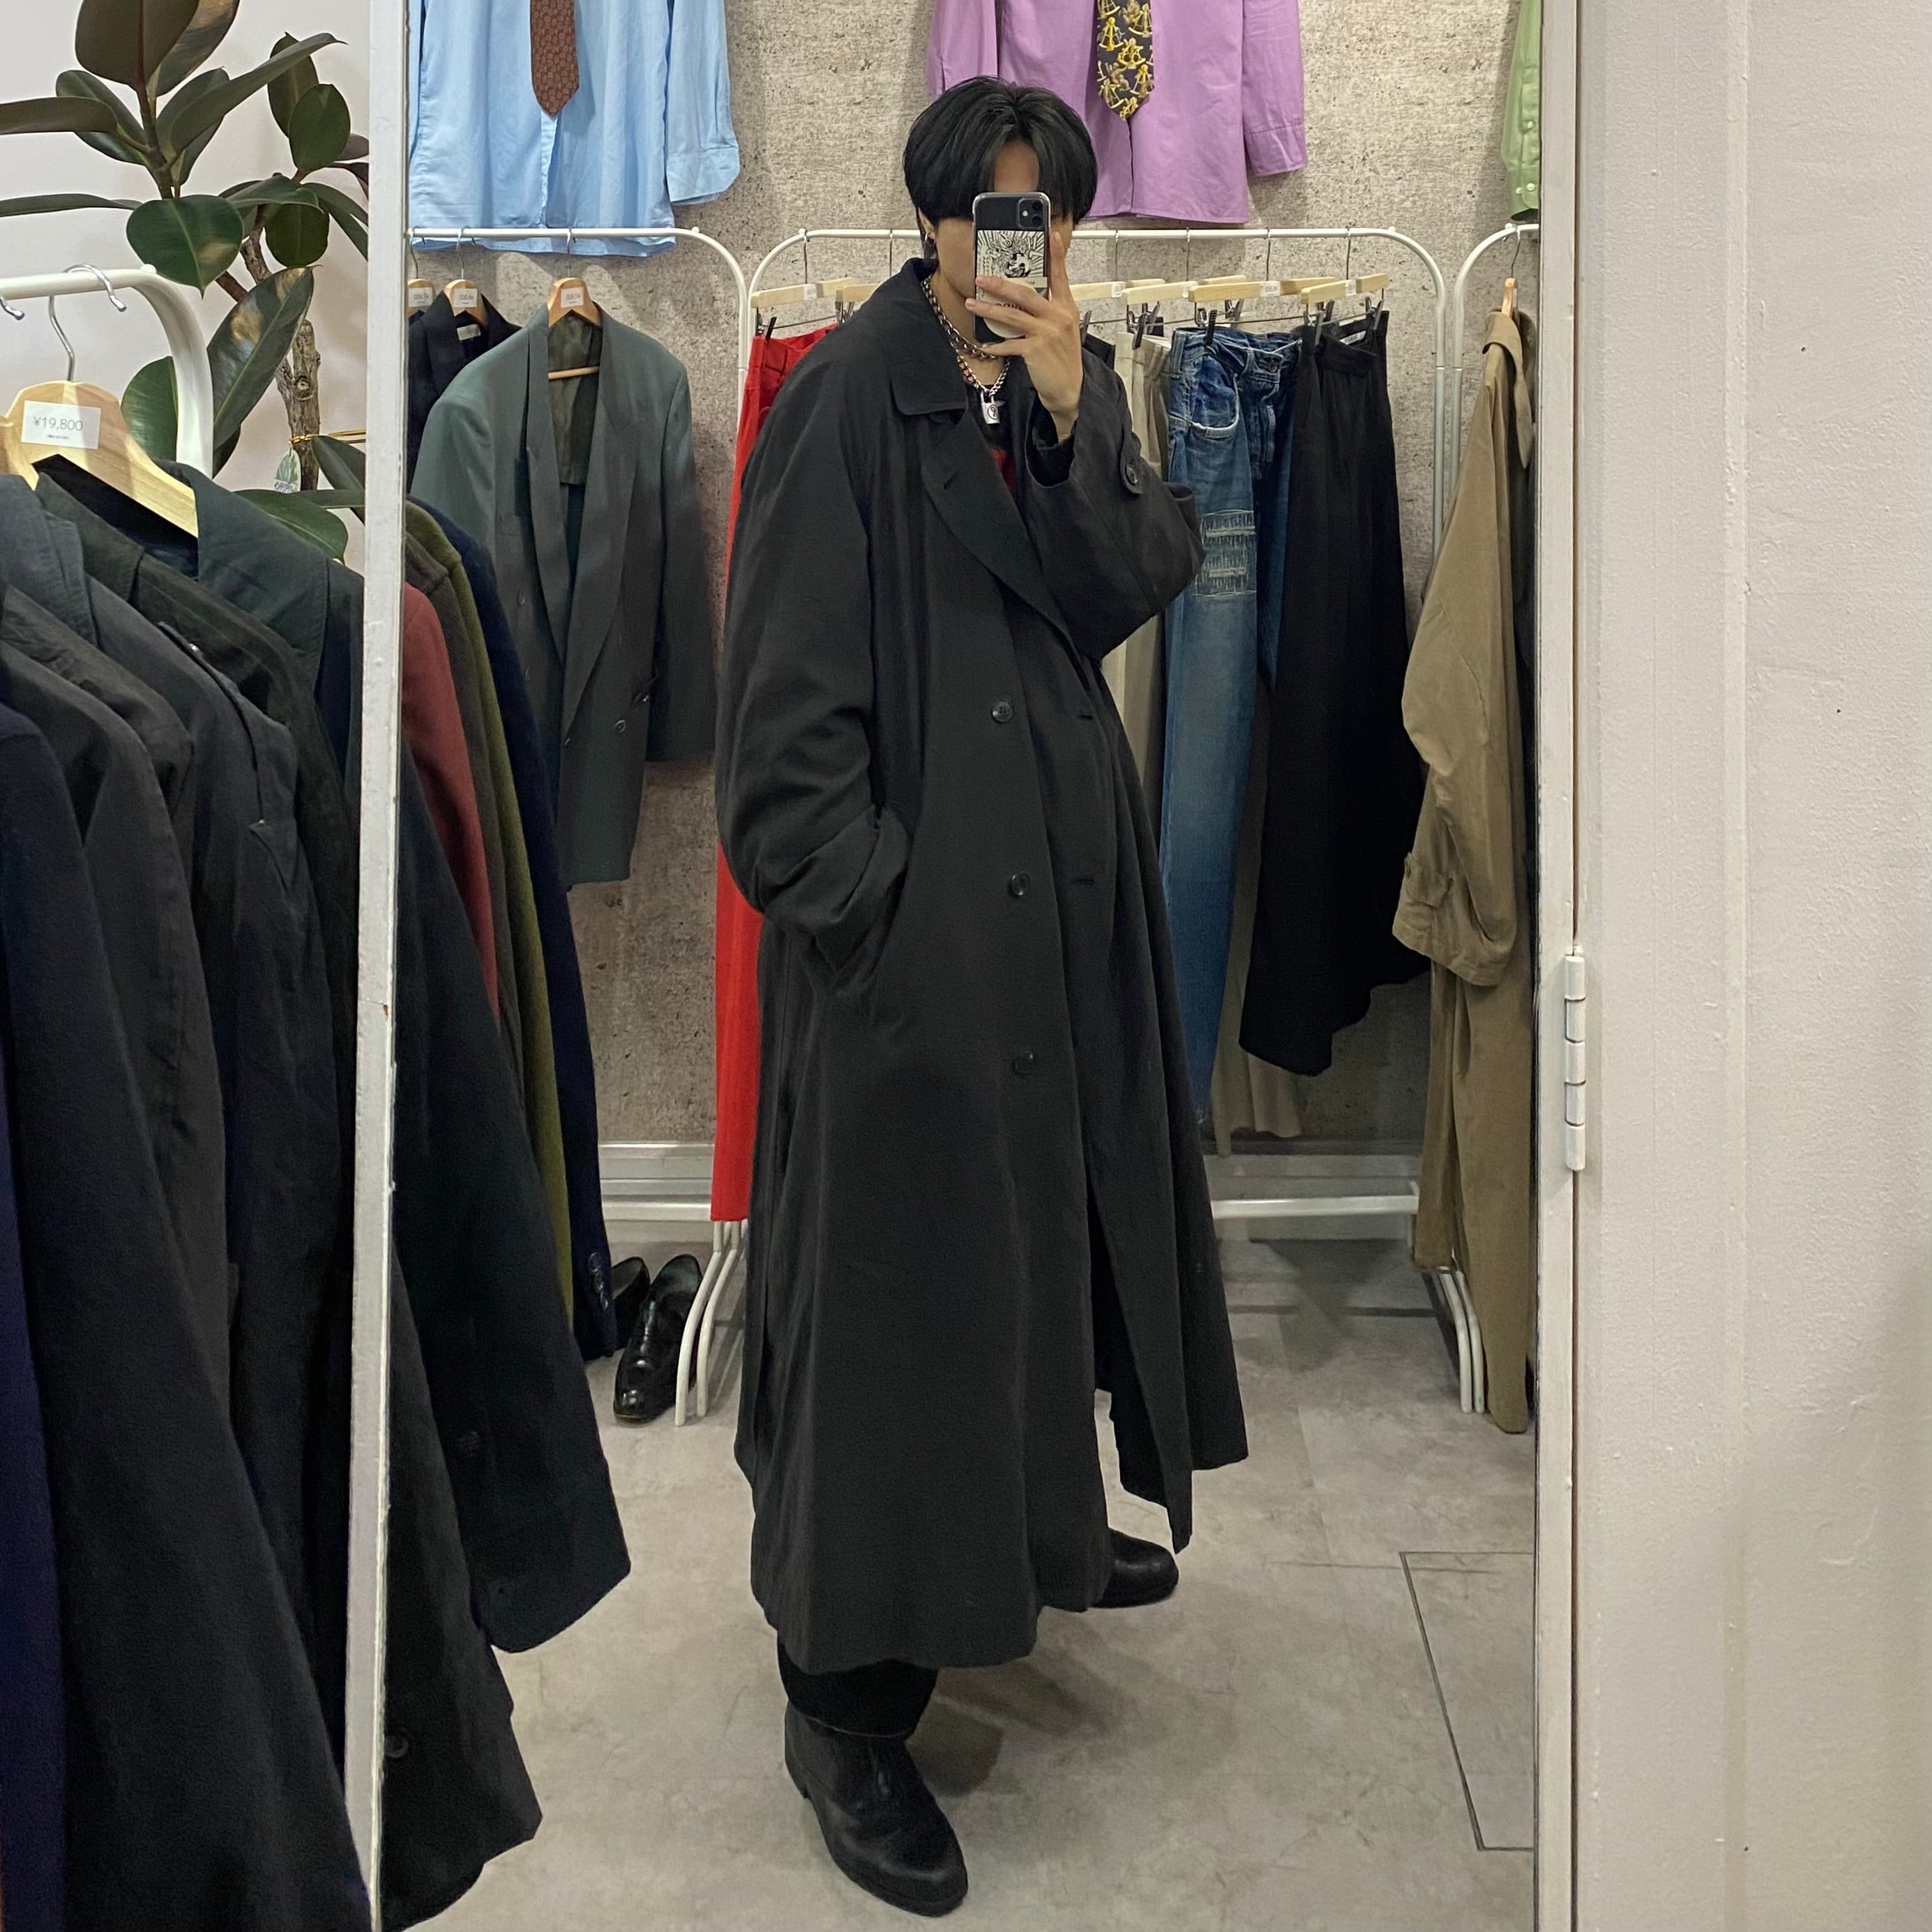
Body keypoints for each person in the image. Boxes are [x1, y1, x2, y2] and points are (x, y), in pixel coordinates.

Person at [716, 77, 1248, 1917]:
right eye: (990, 214)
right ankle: (843, 1704)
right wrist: (881, 922)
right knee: (894, 1324)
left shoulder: (1035, 390)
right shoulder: (851, 397)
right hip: (916, 967)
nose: (1017, 248)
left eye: (1048, 219)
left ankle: (1032, 1527)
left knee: (1028, 1272)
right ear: (931, 216)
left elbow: (1141, 577)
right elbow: (780, 744)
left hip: (1054, 939)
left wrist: (1081, 404)